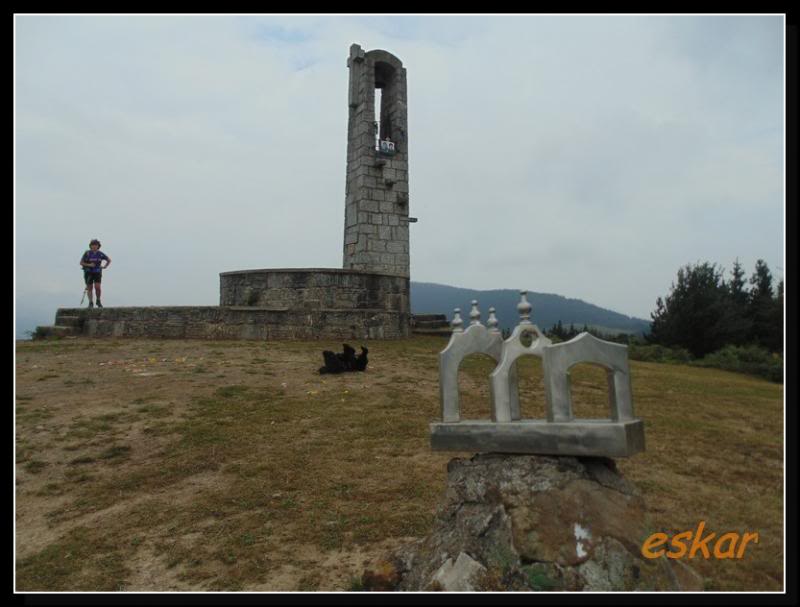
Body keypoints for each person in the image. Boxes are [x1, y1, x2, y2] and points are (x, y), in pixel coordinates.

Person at [80, 239, 111, 308]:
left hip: (97, 272)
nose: (94, 246)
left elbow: (109, 260)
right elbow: (81, 263)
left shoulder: (100, 254)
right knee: (90, 288)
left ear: (98, 246)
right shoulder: (87, 253)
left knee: (98, 287)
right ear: (90, 246)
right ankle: (90, 302)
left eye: (96, 245)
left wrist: (105, 266)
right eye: (92, 245)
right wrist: (89, 265)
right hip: (88, 272)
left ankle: (98, 300)